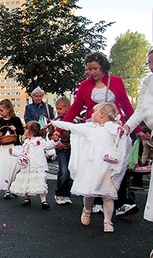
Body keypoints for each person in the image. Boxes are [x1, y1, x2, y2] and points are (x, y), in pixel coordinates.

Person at [57, 52, 142, 217]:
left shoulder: (116, 81)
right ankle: (96, 201)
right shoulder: (84, 85)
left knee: (116, 163)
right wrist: (60, 130)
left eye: (95, 68)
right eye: (89, 69)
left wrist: (136, 129)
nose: (92, 72)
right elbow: (74, 108)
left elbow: (126, 105)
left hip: (115, 129)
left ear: (103, 67)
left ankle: (121, 202)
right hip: (94, 129)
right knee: (96, 164)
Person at [52, 102, 130, 233]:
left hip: (108, 167)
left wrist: (122, 133)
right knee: (89, 192)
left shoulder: (115, 129)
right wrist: (54, 123)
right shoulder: (91, 129)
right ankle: (87, 210)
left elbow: (124, 141)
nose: (91, 115)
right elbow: (71, 127)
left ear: (101, 114)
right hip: (92, 166)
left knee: (108, 195)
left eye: (94, 112)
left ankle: (107, 221)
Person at [122, 49, 153, 223]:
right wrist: (128, 126)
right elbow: (141, 109)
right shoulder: (148, 81)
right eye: (149, 62)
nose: (151, 67)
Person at [9, 121, 56, 209]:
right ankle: (27, 198)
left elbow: (48, 146)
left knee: (39, 183)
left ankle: (43, 200)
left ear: (31, 132)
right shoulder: (26, 142)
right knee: (26, 182)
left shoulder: (40, 141)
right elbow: (22, 152)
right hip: (26, 166)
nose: (24, 131)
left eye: (26, 129)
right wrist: (14, 152)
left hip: (37, 166)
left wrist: (55, 141)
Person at [0, 99, 24, 199]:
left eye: (1, 110)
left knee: (15, 168)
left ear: (8, 109)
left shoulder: (16, 120)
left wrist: (15, 129)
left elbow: (22, 132)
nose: (0, 113)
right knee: (5, 168)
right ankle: (7, 189)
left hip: (14, 146)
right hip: (3, 147)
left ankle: (13, 186)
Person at [46, 97, 74, 205]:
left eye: (60, 108)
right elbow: (51, 135)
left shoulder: (74, 121)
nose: (58, 111)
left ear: (68, 108)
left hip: (72, 148)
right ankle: (59, 193)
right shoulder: (55, 122)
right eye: (57, 109)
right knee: (63, 170)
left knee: (71, 171)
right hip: (61, 148)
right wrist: (57, 142)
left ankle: (67, 194)